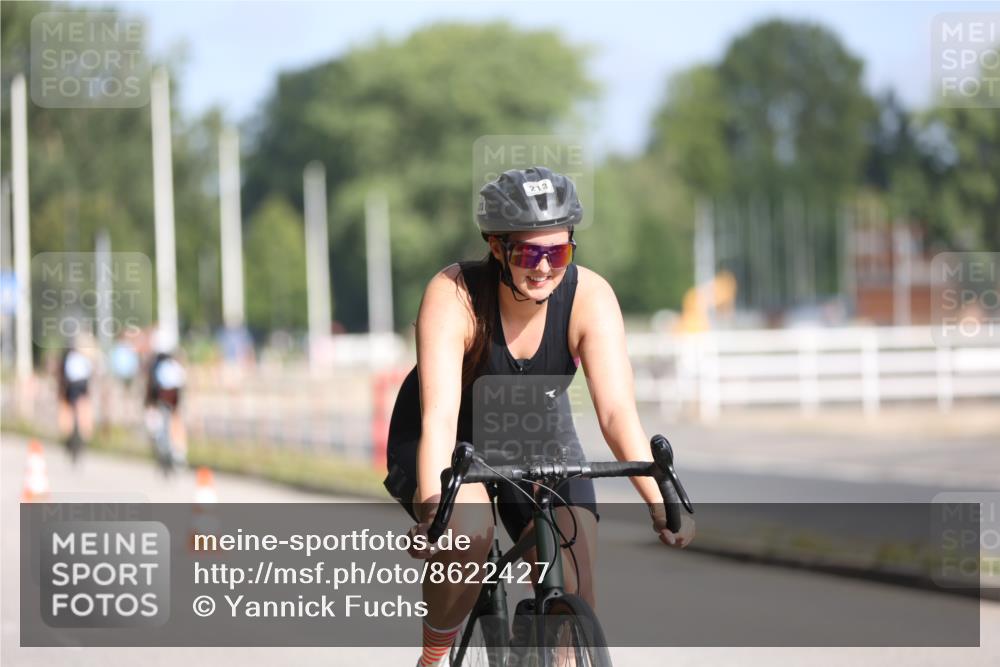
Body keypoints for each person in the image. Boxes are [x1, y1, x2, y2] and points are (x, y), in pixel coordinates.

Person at [383, 166, 696, 667]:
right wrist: (432, 511)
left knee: (576, 585)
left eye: (560, 252)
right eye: (531, 253)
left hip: (537, 432)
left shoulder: (589, 298)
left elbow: (616, 413)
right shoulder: (454, 293)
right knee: (468, 533)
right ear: (497, 246)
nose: (546, 267)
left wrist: (661, 502)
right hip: (448, 437)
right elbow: (440, 417)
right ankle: (433, 655)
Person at [144, 347, 189, 467]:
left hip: (164, 398)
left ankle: (173, 450)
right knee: (174, 421)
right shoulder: (173, 367)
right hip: (169, 397)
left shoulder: (158, 366)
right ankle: (177, 451)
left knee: (170, 421)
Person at [57, 343, 94, 450]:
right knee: (81, 410)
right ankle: (83, 434)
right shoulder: (81, 358)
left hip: (74, 387)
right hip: (79, 386)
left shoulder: (69, 358)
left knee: (73, 412)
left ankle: (75, 433)